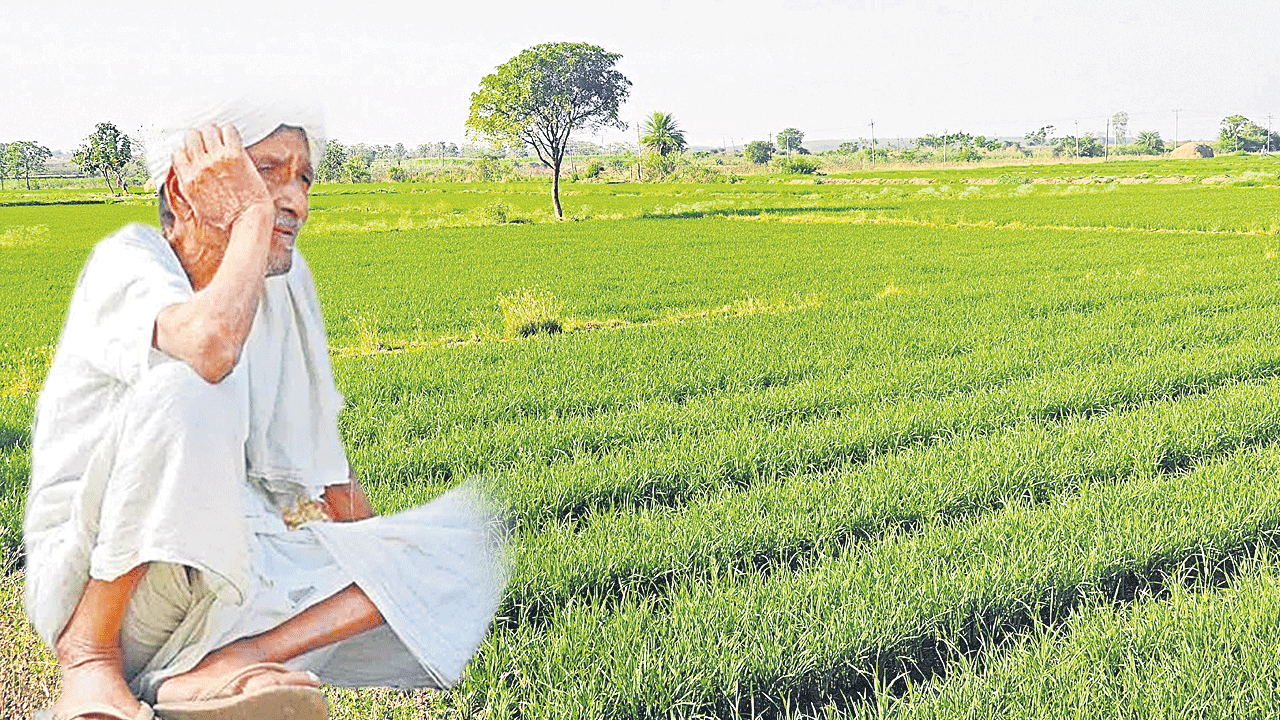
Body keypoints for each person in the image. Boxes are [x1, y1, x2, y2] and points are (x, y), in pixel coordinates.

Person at [24, 103, 503, 720]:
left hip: (234, 563)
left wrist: (386, 563)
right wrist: (253, 217)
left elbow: (325, 472)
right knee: (192, 390)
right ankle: (89, 663)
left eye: (303, 178)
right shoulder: (130, 259)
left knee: (463, 539)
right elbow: (209, 347)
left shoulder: (287, 281)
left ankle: (223, 665)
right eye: (267, 171)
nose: (296, 202)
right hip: (113, 586)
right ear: (185, 187)